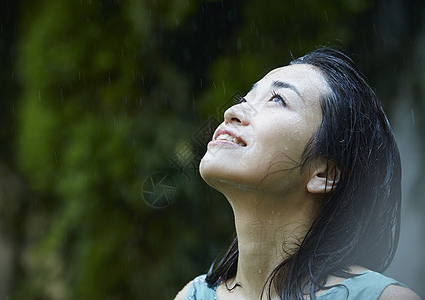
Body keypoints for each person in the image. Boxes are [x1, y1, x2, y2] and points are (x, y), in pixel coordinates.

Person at [174, 48, 421, 300]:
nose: (232, 112)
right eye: (246, 99)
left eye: (277, 99)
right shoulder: (192, 296)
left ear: (323, 173)